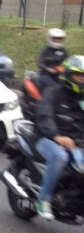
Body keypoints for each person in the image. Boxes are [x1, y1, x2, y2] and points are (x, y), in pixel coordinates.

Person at [33, 55, 84, 219]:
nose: (81, 79)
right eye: (78, 75)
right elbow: (44, 115)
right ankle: (44, 199)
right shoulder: (54, 92)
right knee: (59, 156)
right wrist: (57, 136)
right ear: (69, 74)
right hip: (47, 138)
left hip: (76, 142)